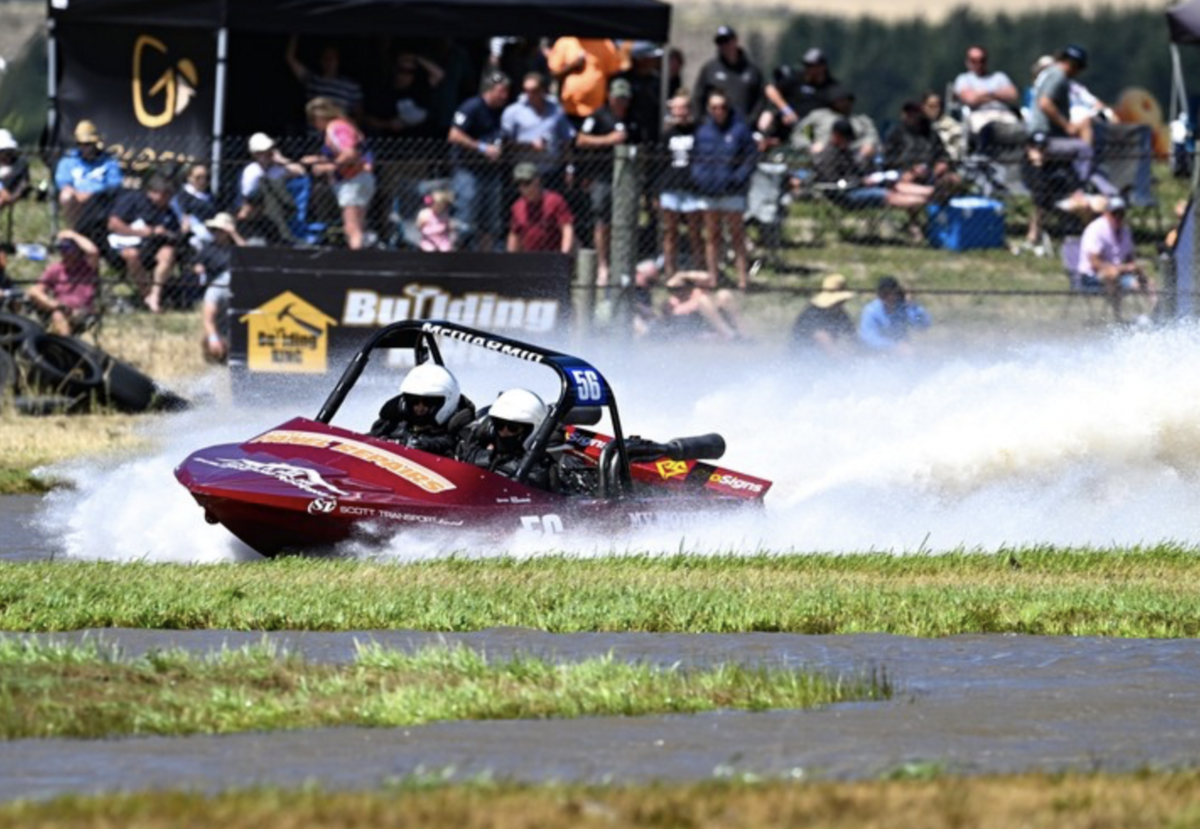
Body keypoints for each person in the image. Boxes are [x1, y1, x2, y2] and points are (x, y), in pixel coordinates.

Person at [576, 77, 644, 287]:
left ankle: (622, 263)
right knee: (602, 222)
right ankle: (603, 266)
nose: (621, 103)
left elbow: (642, 147)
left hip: (627, 179)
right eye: (617, 98)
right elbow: (581, 139)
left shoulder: (634, 119)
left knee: (624, 222)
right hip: (602, 177)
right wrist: (608, 140)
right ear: (610, 97)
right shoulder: (597, 117)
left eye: (624, 99)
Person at [691, 91, 757, 291]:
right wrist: (700, 178)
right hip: (709, 192)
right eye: (714, 107)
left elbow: (751, 157)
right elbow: (695, 159)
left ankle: (742, 279)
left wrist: (737, 179)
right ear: (708, 109)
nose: (718, 111)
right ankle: (713, 277)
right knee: (712, 236)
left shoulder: (740, 131)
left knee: (737, 236)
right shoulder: (703, 132)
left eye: (722, 107)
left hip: (732, 193)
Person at [447, 70, 510, 252]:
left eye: (506, 91)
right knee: (465, 220)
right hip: (468, 171)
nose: (505, 95)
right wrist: (482, 148)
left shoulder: (502, 111)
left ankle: (485, 264)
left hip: (491, 172)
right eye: (501, 91)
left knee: (490, 223)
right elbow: (454, 134)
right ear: (489, 90)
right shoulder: (471, 106)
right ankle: (457, 261)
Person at [302, 97, 375, 250]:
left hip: (353, 180)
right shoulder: (345, 125)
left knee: (351, 227)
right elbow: (342, 153)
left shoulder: (336, 127)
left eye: (313, 120)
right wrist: (317, 159)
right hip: (361, 178)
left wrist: (327, 167)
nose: (314, 125)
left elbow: (349, 153)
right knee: (359, 225)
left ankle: (356, 262)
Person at [106, 174, 182, 314]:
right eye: (165, 195)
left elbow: (175, 233)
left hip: (153, 247)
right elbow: (113, 224)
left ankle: (155, 295)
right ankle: (146, 295)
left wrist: (164, 233)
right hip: (126, 244)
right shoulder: (133, 200)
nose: (169, 199)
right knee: (132, 254)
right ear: (153, 192)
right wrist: (140, 232)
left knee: (168, 253)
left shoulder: (168, 211)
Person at [1078, 196, 1157, 321]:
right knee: (1112, 274)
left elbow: (1129, 258)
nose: (1118, 217)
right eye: (1115, 213)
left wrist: (1136, 270)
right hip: (1091, 277)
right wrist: (1123, 268)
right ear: (1107, 213)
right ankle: (1118, 318)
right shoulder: (1096, 229)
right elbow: (1094, 263)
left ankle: (1155, 314)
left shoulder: (1125, 231)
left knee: (1147, 281)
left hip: (1120, 274)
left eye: (1121, 213)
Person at [369, 362, 475, 456]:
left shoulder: (459, 434)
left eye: (428, 402)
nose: (420, 407)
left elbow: (449, 443)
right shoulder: (392, 424)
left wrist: (422, 445)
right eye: (413, 401)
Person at [457, 387, 554, 490]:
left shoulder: (535, 470)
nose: (504, 432)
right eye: (499, 425)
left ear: (529, 432)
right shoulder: (477, 455)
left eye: (513, 428)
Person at [501, 71, 575, 190]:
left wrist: (569, 168)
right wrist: (529, 146)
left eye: (534, 91)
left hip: (551, 173)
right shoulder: (513, 112)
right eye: (526, 90)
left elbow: (566, 141)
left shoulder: (556, 111)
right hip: (523, 175)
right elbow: (505, 145)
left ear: (543, 91)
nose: (529, 95)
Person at [658, 93, 703, 276]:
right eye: (675, 108)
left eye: (683, 107)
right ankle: (670, 271)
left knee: (695, 232)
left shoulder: (698, 132)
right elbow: (659, 164)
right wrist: (656, 191)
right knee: (670, 232)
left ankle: (699, 268)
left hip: (692, 188)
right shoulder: (667, 134)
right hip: (671, 188)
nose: (679, 112)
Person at [25, 230, 100, 336]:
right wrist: (55, 305)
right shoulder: (56, 269)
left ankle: (66, 345)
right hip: (61, 308)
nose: (64, 252)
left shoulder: (87, 266)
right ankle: (65, 344)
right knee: (56, 313)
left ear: (77, 250)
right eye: (62, 248)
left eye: (68, 249)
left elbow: (93, 251)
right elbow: (36, 290)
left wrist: (73, 235)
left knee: (58, 315)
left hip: (83, 311)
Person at [54, 120, 123, 234]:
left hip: (101, 200)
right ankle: (75, 232)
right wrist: (78, 195)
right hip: (77, 202)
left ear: (95, 143)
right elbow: (63, 183)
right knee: (66, 196)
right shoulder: (69, 160)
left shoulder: (108, 161)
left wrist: (91, 194)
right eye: (81, 144)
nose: (84, 148)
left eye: (88, 144)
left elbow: (114, 185)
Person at [238, 132, 305, 245]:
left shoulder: (276, 169)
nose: (268, 155)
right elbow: (249, 197)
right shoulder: (252, 171)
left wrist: (282, 160)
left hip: (280, 209)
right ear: (255, 154)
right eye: (263, 152)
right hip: (258, 210)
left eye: (269, 151)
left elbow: (300, 171)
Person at [195, 213, 244, 363]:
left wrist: (234, 234)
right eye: (214, 230)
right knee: (217, 325)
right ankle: (218, 352)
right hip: (217, 288)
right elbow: (197, 264)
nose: (216, 234)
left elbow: (250, 255)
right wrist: (199, 269)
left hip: (240, 287)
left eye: (220, 230)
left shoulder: (236, 248)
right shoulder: (209, 249)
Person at [691, 26, 765, 123]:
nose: (724, 45)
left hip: (744, 126)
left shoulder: (752, 70)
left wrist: (752, 119)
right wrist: (701, 120)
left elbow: (761, 98)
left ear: (735, 41)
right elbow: (698, 96)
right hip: (715, 127)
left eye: (727, 41)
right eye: (721, 42)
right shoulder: (710, 69)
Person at [546, 37, 624, 128]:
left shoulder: (605, 43)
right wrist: (572, 66)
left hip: (598, 110)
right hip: (569, 109)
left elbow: (613, 74)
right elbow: (554, 74)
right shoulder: (564, 42)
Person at [793, 85, 879, 165]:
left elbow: (871, 137)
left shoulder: (861, 121)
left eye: (846, 100)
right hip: (820, 159)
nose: (844, 103)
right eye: (840, 100)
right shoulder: (819, 117)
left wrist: (867, 145)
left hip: (853, 160)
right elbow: (803, 131)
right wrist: (810, 146)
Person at [285, 36, 364, 122]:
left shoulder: (351, 86)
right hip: (314, 134)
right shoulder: (313, 80)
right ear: (321, 60)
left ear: (338, 60)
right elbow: (290, 58)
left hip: (338, 133)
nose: (329, 61)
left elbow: (359, 116)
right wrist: (295, 32)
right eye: (326, 58)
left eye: (332, 58)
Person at [765, 47, 838, 135]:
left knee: (808, 136)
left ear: (822, 67)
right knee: (767, 116)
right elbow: (770, 89)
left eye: (810, 65)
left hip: (811, 128)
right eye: (806, 65)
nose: (807, 68)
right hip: (787, 123)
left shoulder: (831, 86)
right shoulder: (797, 78)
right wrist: (786, 110)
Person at [952, 45, 1020, 136]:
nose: (978, 64)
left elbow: (1013, 96)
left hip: (1003, 114)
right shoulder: (963, 79)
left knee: (1018, 130)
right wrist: (998, 95)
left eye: (982, 60)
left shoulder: (1000, 77)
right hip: (979, 115)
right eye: (973, 61)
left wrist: (983, 93)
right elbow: (971, 99)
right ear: (967, 62)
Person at [507, 163, 574, 254]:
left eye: (527, 183)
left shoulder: (554, 200)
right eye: (519, 184)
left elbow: (567, 228)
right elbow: (514, 235)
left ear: (537, 180)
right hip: (529, 259)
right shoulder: (517, 207)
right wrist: (511, 261)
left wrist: (564, 255)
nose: (523, 189)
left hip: (553, 256)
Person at [858, 275, 931, 353]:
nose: (888, 297)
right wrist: (894, 347)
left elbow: (922, 325)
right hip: (877, 354)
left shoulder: (904, 308)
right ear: (879, 295)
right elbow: (869, 338)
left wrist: (912, 306)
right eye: (884, 294)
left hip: (903, 354)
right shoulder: (871, 311)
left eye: (891, 293)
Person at [790, 273, 857, 355]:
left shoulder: (840, 313)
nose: (843, 303)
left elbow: (852, 335)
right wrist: (843, 360)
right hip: (803, 358)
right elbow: (825, 341)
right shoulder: (813, 313)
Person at [0, 129, 30, 212]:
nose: (7, 156)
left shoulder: (19, 164)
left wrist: (13, 197)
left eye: (9, 152)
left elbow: (24, 183)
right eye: (4, 152)